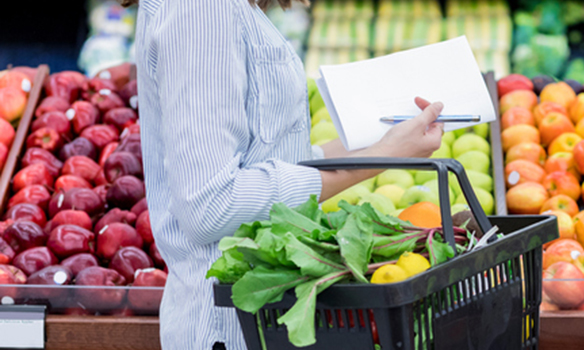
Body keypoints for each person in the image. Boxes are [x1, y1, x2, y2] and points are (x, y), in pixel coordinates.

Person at [127, 0, 445, 348]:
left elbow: (261, 159)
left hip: (259, 321)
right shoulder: (203, 8)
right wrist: (381, 157)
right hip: (230, 330)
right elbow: (211, 204)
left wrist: (380, 147)